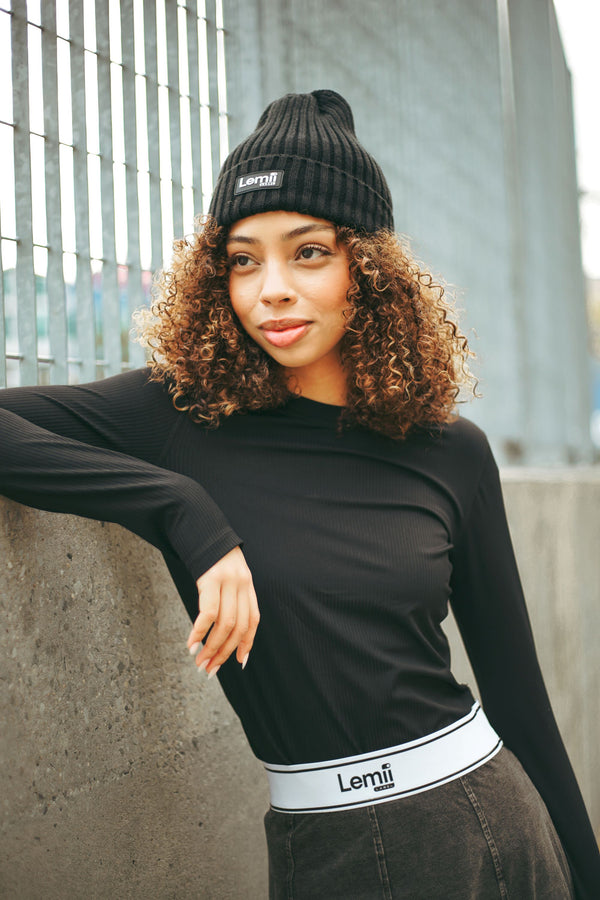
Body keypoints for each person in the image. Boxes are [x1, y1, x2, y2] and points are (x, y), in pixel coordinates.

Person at [0, 89, 599, 899]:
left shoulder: (452, 453)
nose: (270, 289)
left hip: (484, 825)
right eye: (244, 259)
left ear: (370, 268)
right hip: (319, 848)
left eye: (308, 252)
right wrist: (180, 508)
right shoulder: (177, 417)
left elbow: (521, 701)